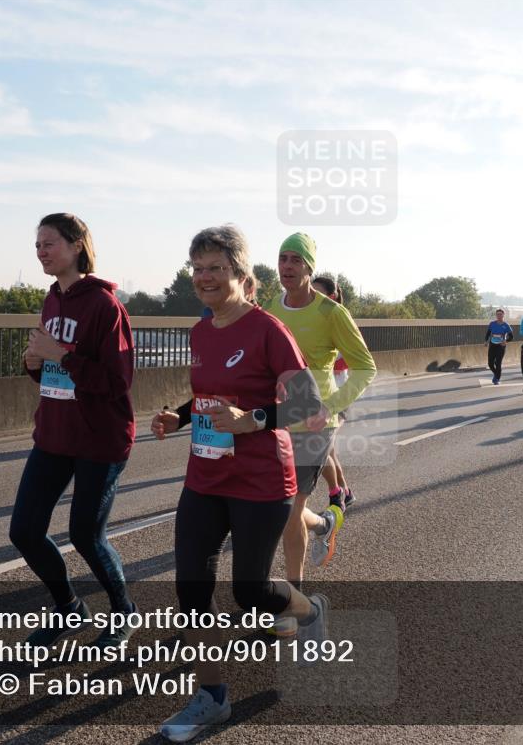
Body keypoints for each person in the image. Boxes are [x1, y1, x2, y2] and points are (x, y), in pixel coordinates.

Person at [150, 225, 329, 742]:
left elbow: (308, 407)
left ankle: (309, 611)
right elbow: (212, 397)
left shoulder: (269, 330)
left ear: (240, 274)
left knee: (251, 592)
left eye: (216, 268)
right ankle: (212, 697)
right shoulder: (200, 331)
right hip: (205, 477)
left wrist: (251, 420)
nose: (204, 277)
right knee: (192, 591)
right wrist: (181, 417)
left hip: (261, 480)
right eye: (197, 268)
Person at [12, 213, 138, 650]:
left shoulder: (105, 306)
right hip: (54, 435)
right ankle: (68, 608)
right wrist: (34, 364)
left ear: (76, 245)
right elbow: (54, 374)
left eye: (49, 243)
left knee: (85, 536)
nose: (41, 252)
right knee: (24, 532)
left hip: (99, 439)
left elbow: (117, 382)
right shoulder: (52, 300)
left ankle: (124, 611)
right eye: (37, 245)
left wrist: (61, 355)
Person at [266, 233, 376, 597]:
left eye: (296, 260)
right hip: (279, 419)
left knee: (289, 507)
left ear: (310, 268)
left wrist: (330, 407)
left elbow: (365, 368)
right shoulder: (271, 307)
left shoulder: (332, 313)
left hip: (316, 421)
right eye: (283, 258)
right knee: (279, 506)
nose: (287, 266)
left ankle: (294, 598)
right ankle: (324, 524)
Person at [311, 275, 355, 509]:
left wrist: (323, 358)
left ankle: (337, 493)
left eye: (317, 292)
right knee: (329, 449)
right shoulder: (307, 321)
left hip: (337, 397)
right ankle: (344, 491)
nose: (311, 296)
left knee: (322, 447)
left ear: (332, 296)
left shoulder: (340, 319)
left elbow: (349, 360)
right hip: (315, 396)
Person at [485, 308, 514, 384]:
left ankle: (497, 379)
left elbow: (511, 337)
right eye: (497, 314)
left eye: (500, 314)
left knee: (498, 362)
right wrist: (486, 341)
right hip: (492, 345)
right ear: (496, 315)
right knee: (490, 363)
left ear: (503, 315)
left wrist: (505, 341)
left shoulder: (506, 325)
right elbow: (488, 333)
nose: (499, 316)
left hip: (501, 346)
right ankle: (496, 373)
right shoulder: (492, 324)